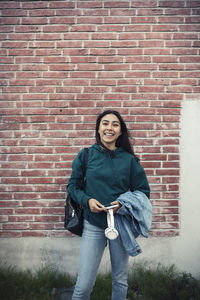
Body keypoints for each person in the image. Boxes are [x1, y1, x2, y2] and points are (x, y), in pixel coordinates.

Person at [67, 110, 150, 300]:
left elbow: (143, 192)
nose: (109, 128)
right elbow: (73, 187)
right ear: (98, 128)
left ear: (120, 132)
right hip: (93, 224)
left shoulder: (129, 160)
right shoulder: (86, 155)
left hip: (120, 225)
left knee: (120, 281)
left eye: (115, 124)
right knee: (84, 284)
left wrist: (123, 204)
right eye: (105, 123)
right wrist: (87, 200)